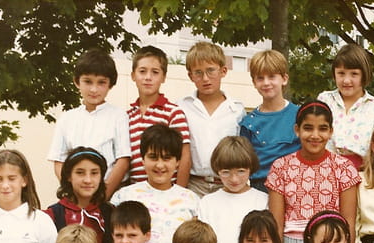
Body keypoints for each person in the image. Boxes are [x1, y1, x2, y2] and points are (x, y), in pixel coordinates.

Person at [266, 101, 361, 243]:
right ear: (297, 130)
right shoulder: (281, 167)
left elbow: (349, 222)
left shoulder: (343, 168)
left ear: (331, 131)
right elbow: (276, 223)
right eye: (308, 128)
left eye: (322, 129)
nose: (315, 135)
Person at [111, 124, 199, 243]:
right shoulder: (124, 196)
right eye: (153, 157)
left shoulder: (191, 200)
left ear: (177, 162)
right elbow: (114, 242)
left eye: (166, 158)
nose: (159, 165)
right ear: (143, 159)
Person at [47, 48, 131, 196]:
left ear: (110, 84)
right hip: (75, 196)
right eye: (88, 81)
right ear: (77, 82)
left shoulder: (118, 116)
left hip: (109, 195)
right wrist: (73, 193)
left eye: (101, 83)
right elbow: (59, 161)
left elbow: (123, 160)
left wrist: (103, 196)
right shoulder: (67, 119)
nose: (94, 89)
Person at [178, 41, 246, 197]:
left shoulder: (236, 110)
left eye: (211, 71)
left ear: (223, 71)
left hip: (227, 184)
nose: (205, 78)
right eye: (198, 73)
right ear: (190, 76)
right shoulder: (182, 107)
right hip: (193, 184)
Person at [198, 136, 268, 243]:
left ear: (250, 168)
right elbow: (203, 242)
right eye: (226, 172)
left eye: (241, 171)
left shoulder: (263, 200)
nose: (234, 179)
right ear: (217, 170)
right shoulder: (208, 202)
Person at [127, 45, 191, 186]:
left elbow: (184, 158)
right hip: (135, 191)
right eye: (142, 71)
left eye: (155, 72)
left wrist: (179, 193)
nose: (148, 77)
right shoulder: (127, 117)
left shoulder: (173, 113)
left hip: (167, 190)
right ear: (133, 76)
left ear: (163, 77)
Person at [318, 43, 374, 170]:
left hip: (362, 173)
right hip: (325, 170)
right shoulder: (324, 101)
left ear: (364, 75)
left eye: (354, 74)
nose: (346, 80)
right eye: (341, 73)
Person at [239, 49, 301, 193]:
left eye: (272, 76)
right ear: (254, 82)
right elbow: (244, 164)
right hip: (260, 188)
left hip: (295, 185)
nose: (266, 83)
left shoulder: (300, 115)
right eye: (260, 78)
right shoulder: (248, 123)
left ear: (284, 79)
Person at [46, 147, 113, 243]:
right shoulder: (52, 215)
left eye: (94, 173)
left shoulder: (110, 213)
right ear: (68, 176)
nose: (88, 180)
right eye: (80, 173)